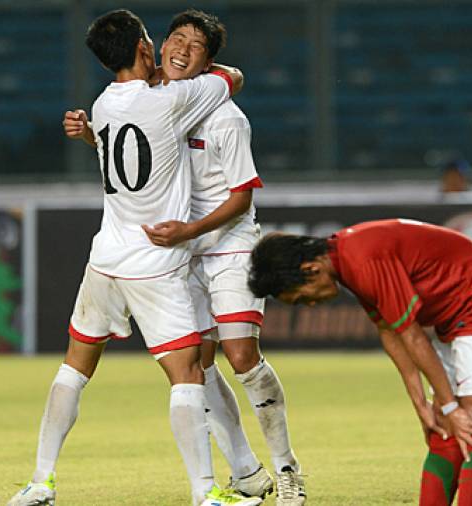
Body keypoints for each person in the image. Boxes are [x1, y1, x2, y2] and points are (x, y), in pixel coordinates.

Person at [7, 9, 258, 506]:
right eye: (156, 39)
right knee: (188, 374)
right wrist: (181, 73)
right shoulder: (172, 100)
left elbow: (118, 146)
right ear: (145, 48)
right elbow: (231, 77)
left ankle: (41, 481)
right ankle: (207, 495)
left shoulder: (102, 106)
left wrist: (87, 133)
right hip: (155, 261)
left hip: (104, 259)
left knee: (74, 368)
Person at [63, 9, 304, 505]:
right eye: (175, 38)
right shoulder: (153, 101)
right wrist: (93, 135)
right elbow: (133, 162)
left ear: (209, 62)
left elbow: (240, 198)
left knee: (241, 356)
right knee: (197, 364)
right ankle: (247, 473)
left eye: (195, 46)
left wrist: (189, 229)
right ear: (157, 43)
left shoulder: (226, 117)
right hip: (181, 249)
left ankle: (288, 469)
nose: (181, 49)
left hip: (229, 243)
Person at [248, 219, 472, 506]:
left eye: (300, 299)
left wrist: (450, 404)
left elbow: (413, 336)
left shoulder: (361, 260)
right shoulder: (344, 259)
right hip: (453, 314)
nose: (308, 305)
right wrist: (421, 402)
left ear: (311, 270)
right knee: (442, 430)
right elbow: (388, 329)